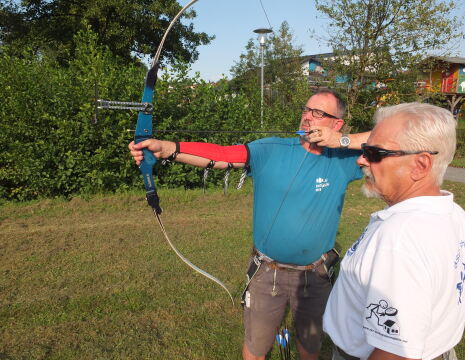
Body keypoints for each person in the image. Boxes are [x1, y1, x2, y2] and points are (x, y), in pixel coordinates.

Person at [129, 89, 370, 360]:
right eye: (306, 110)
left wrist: (343, 141)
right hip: (268, 272)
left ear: (336, 123)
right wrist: (166, 148)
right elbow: (223, 154)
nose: (307, 117)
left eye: (318, 113)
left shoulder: (345, 159)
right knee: (256, 348)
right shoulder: (270, 148)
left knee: (310, 348)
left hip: (315, 275)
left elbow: (407, 138)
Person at [323, 102, 465, 360]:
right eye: (365, 149)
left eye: (375, 152)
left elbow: (395, 353)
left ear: (420, 165)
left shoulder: (398, 237)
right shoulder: (454, 213)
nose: (361, 159)